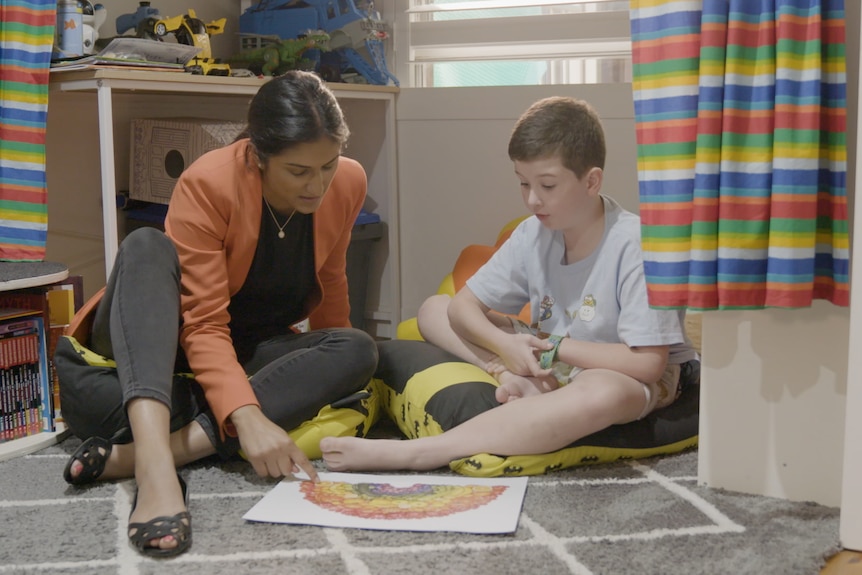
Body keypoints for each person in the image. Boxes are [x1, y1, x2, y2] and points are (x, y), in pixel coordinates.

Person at [56, 70, 379, 557]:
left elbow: (331, 283)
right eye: (298, 171)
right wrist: (247, 417)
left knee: (357, 348)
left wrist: (331, 375)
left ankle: (159, 450)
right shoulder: (210, 181)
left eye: (327, 166)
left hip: (217, 380)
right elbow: (203, 324)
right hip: (128, 383)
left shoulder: (346, 182)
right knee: (146, 245)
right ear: (258, 156)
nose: (318, 185)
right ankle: (155, 467)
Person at [320, 96, 698, 472]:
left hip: (621, 369)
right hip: (549, 353)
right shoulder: (533, 232)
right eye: (523, 184)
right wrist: (505, 352)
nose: (533, 200)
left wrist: (550, 349)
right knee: (434, 309)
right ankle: (523, 383)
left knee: (604, 392)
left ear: (591, 181)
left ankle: (424, 452)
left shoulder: (635, 244)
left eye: (547, 185)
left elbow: (648, 363)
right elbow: (462, 307)